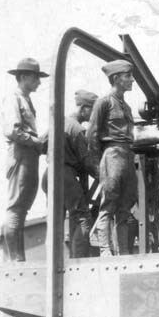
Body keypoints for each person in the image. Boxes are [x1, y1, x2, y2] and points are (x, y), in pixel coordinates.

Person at [87, 60, 137, 256]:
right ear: (116, 78)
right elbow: (91, 135)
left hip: (126, 155)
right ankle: (105, 249)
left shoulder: (126, 106)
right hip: (112, 154)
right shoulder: (104, 102)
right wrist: (99, 165)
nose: (132, 80)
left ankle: (123, 251)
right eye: (128, 76)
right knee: (108, 204)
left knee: (125, 206)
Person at [2, 58, 49, 262]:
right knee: (16, 208)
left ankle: (19, 257)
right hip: (21, 153)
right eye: (35, 78)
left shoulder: (25, 99)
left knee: (23, 207)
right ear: (23, 78)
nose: (38, 83)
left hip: (29, 155)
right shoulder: (14, 98)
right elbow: (12, 130)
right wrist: (36, 142)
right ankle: (16, 259)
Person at [42, 90, 99, 257]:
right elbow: (87, 162)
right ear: (84, 109)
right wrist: (103, 176)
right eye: (93, 111)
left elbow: (41, 144)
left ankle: (54, 261)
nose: (94, 116)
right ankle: (78, 261)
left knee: (55, 220)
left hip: (49, 175)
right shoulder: (78, 130)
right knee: (82, 217)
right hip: (65, 175)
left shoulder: (57, 123)